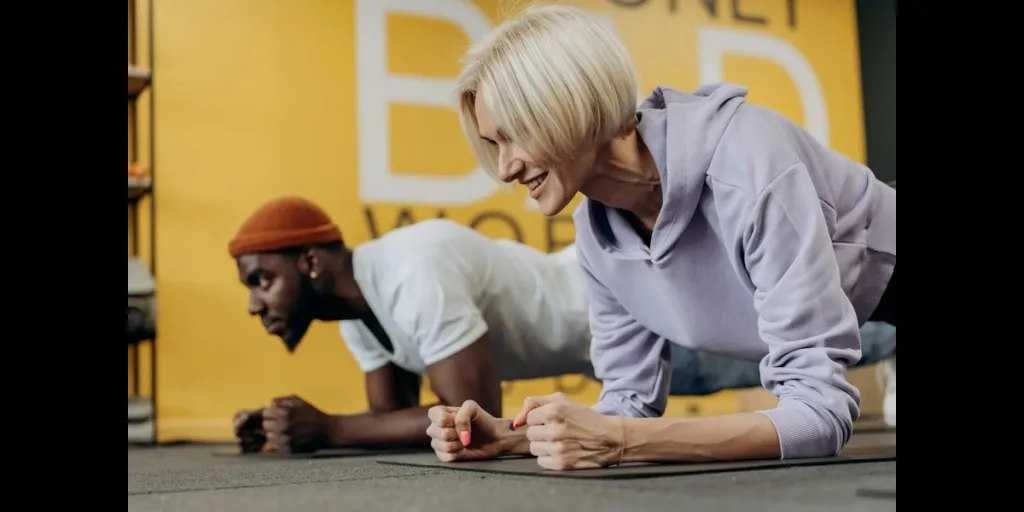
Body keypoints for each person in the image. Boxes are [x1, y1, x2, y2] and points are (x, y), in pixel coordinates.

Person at [429, 4, 896, 470]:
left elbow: (819, 417)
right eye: (494, 144)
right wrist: (515, 437)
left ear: (569, 101)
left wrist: (620, 440)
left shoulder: (746, 164)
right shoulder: (598, 241)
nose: (506, 167)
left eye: (514, 135)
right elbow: (627, 405)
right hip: (858, 299)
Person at [226, 197, 895, 454]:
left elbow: (467, 415)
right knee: (800, 344)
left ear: (311, 261)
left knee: (840, 334)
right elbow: (402, 424)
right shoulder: (355, 314)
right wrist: (295, 427)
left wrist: (327, 428)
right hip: (607, 351)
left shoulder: (411, 266)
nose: (256, 305)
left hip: (643, 318)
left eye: (262, 281)